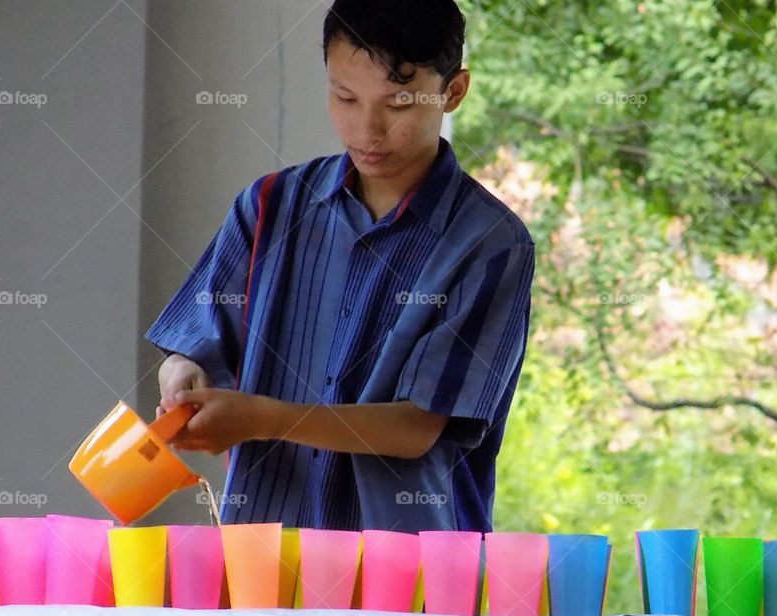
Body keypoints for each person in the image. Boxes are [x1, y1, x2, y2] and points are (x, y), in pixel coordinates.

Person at [146, 0, 535, 533]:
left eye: (398, 104)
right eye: (344, 97)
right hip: (264, 555)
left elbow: (417, 426)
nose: (368, 129)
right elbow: (197, 344)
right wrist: (181, 373)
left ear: (454, 91)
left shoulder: (490, 243)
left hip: (411, 574)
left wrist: (263, 418)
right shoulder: (268, 207)